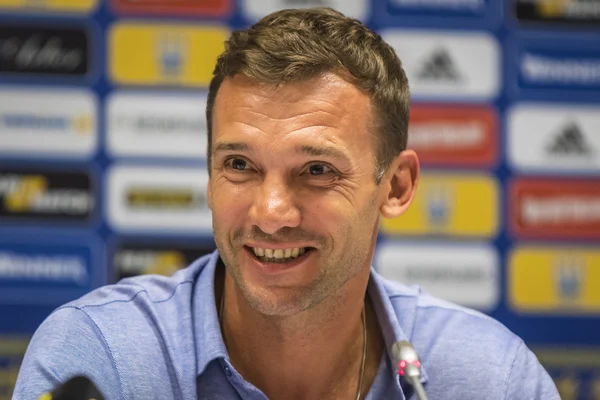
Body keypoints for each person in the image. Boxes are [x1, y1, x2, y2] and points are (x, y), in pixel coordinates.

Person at [13, 7, 559, 400]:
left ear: (395, 186)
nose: (271, 213)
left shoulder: (491, 377)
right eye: (240, 166)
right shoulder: (102, 357)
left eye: (316, 171)